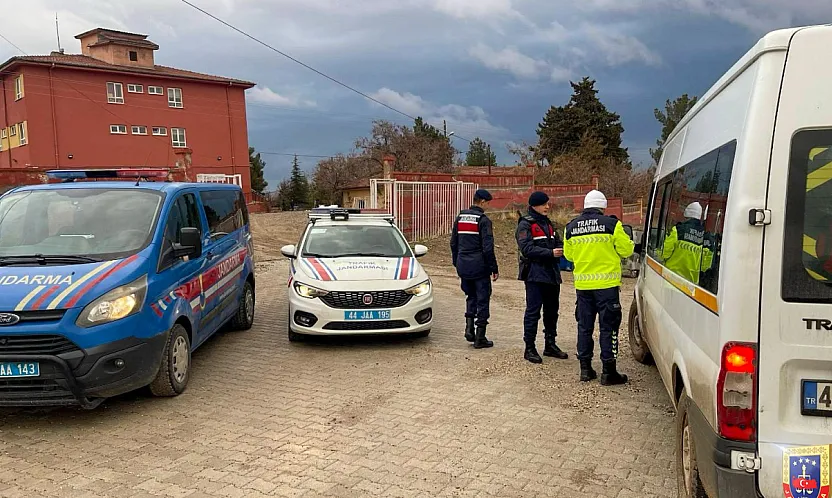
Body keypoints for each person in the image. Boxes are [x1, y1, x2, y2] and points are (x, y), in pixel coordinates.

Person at [563, 190, 634, 385]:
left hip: (583, 286)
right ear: (603, 207)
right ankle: (608, 371)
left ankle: (585, 369)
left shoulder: (571, 227)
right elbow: (626, 250)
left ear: (585, 206)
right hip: (607, 287)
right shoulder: (612, 225)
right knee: (608, 328)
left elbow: (568, 256)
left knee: (584, 327)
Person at [516, 191, 569, 364]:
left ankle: (550, 344)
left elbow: (559, 242)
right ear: (535, 205)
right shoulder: (525, 224)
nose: (548, 207)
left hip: (552, 274)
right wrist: (550, 253)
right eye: (544, 204)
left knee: (552, 311)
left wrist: (561, 249)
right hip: (535, 275)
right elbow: (526, 249)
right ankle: (529, 348)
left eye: (548, 203)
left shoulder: (549, 224)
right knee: (533, 312)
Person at [450, 189, 498, 349]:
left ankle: (469, 329)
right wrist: (494, 267)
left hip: (463, 264)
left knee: (470, 296)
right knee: (483, 299)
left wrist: (457, 262)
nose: (488, 206)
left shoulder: (461, 217)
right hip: (480, 267)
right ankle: (480, 337)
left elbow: (453, 243)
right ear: (482, 202)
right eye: (488, 203)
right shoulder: (483, 220)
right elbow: (488, 247)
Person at [660, 202, 714, 284]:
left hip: (671, 279)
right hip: (691, 285)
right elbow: (705, 266)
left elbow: (665, 252)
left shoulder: (678, 230)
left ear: (686, 216)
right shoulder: (706, 237)